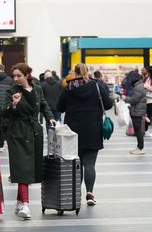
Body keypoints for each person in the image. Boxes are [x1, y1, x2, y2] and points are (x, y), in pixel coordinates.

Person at [2, 63, 56, 219]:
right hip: (17, 132)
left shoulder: (38, 89)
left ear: (27, 75)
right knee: (22, 167)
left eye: (19, 75)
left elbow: (44, 105)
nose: (16, 78)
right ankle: (25, 204)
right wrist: (13, 104)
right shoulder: (12, 90)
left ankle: (19, 201)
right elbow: (3, 111)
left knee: (28, 168)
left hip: (34, 132)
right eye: (14, 76)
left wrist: (50, 118)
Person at [57, 63, 112, 206]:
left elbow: (59, 107)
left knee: (77, 164)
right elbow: (108, 105)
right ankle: (90, 193)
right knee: (89, 164)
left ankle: (76, 195)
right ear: (87, 72)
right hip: (92, 129)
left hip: (72, 131)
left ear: (74, 73)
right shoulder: (97, 86)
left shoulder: (68, 87)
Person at [122, 71, 147, 155]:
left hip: (137, 111)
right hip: (137, 110)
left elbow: (134, 100)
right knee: (137, 130)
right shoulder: (139, 86)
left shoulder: (138, 87)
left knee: (138, 130)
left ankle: (140, 148)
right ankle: (139, 147)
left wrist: (125, 98)